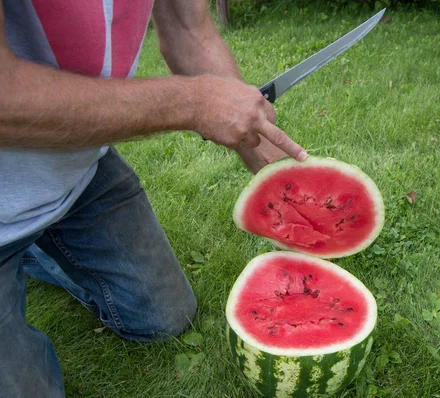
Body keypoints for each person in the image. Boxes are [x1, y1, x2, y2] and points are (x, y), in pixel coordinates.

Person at [0, 0, 307, 396]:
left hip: (78, 167)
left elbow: (188, 29)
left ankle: (38, 250)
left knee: (166, 318)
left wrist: (284, 186)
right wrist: (192, 102)